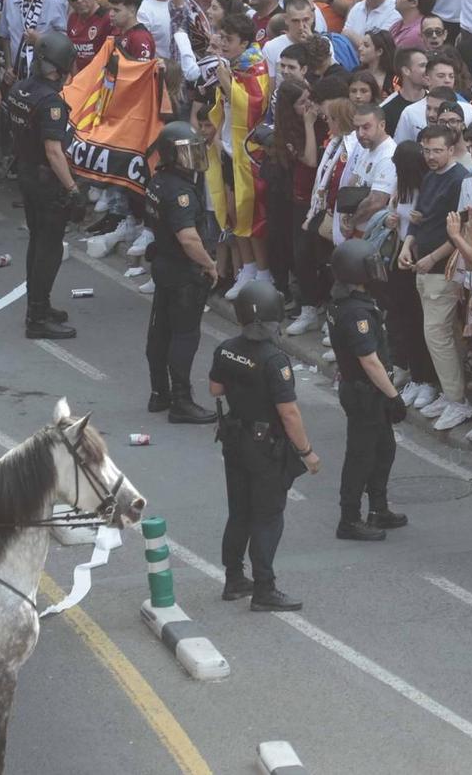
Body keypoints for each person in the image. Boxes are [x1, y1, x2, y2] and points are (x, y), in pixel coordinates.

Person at [209, 280, 321, 612]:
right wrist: (307, 453)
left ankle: (233, 579)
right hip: (265, 447)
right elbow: (289, 412)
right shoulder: (275, 359)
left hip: (235, 441)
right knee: (268, 518)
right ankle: (264, 589)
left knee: (240, 512)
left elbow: (216, 389)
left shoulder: (226, 348)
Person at [327, 238, 409, 541]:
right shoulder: (356, 312)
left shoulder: (343, 301)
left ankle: (378, 508)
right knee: (361, 457)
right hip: (366, 392)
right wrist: (393, 395)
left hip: (364, 389)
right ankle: (349, 519)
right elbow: (370, 361)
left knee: (383, 449)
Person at [3, 28, 81, 337]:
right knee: (49, 248)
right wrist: (72, 189)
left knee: (37, 243)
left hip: (25, 172)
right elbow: (53, 150)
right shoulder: (51, 102)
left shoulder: (20, 89)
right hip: (46, 180)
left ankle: (40, 304)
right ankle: (37, 317)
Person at [144, 121, 220, 425]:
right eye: (185, 153)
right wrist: (209, 264)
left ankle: (159, 393)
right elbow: (189, 238)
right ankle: (181, 401)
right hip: (182, 272)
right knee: (184, 336)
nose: (192, 159)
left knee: (160, 330)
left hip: (163, 264)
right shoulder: (180, 192)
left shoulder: (158, 182)